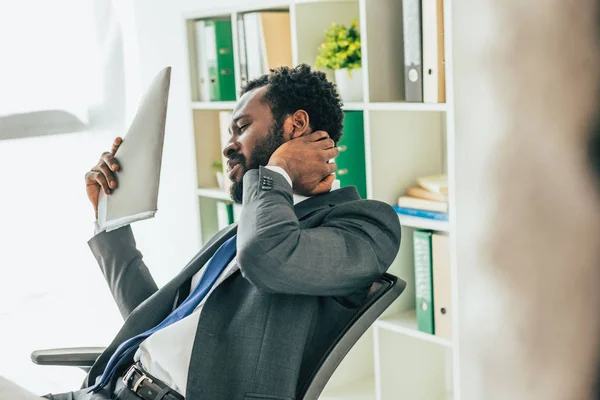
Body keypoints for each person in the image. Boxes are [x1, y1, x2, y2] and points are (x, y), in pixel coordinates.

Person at [44, 64, 401, 400]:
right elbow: (151, 320)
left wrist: (277, 171)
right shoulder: (242, 231)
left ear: (296, 126)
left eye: (242, 127)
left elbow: (269, 258)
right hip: (110, 387)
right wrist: (112, 219)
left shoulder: (365, 225)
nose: (229, 146)